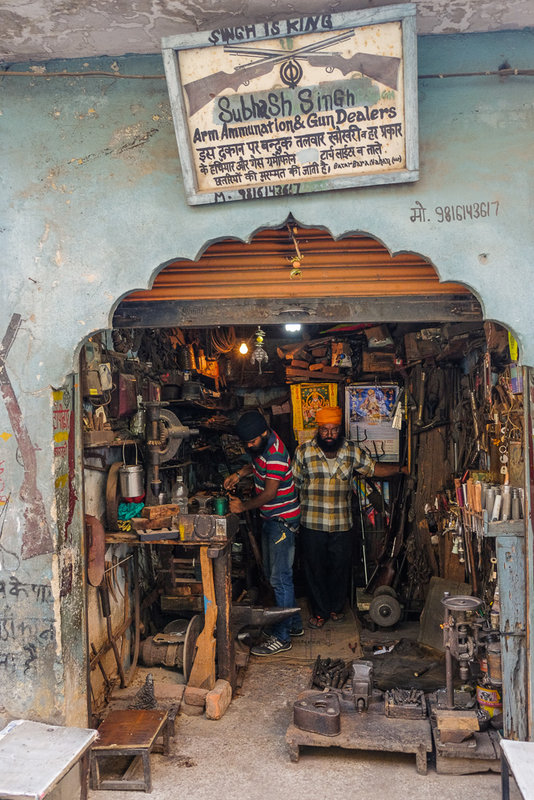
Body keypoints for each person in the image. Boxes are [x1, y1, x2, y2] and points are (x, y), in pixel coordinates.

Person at [292, 406, 407, 629]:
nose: (329, 434)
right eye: (325, 429)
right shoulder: (303, 451)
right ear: (318, 429)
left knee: (340, 567)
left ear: (339, 430)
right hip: (312, 523)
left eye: (334, 430)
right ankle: (319, 612)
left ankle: (335, 608)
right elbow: (292, 485)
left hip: (342, 523)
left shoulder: (350, 450)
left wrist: (401, 469)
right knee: (315, 568)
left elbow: (372, 469)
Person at [224, 410, 303, 655]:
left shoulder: (277, 454)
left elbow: (269, 494)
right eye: (246, 443)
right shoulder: (262, 445)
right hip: (271, 518)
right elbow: (256, 464)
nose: (249, 446)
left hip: (282, 521)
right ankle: (293, 624)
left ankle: (282, 638)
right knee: (272, 574)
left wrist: (242, 506)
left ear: (264, 434)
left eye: (251, 442)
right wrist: (239, 474)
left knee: (280, 579)